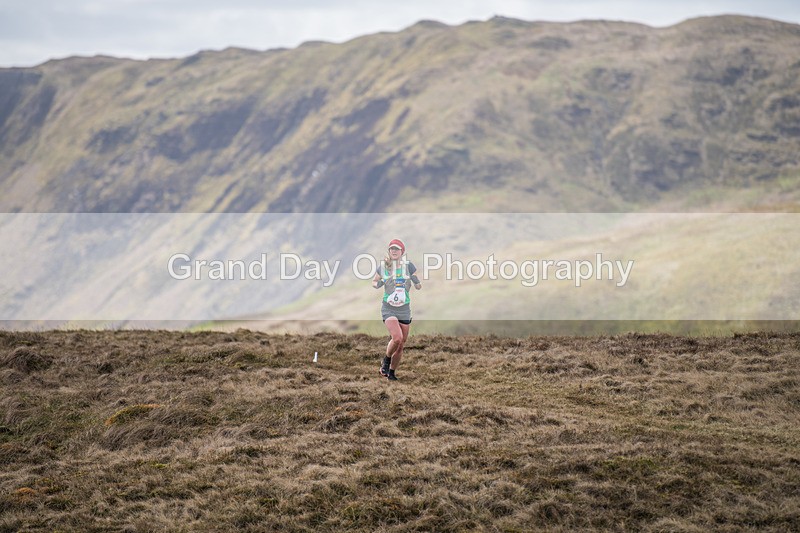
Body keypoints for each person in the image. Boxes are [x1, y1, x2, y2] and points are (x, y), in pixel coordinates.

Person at [371, 238, 422, 381]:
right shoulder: (383, 267)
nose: (394, 251)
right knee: (397, 338)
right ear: (389, 251)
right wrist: (379, 283)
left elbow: (418, 286)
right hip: (389, 308)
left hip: (404, 309)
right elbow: (374, 282)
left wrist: (416, 282)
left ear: (402, 252)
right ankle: (386, 360)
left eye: (397, 249)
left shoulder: (408, 266)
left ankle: (392, 373)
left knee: (401, 344)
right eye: (391, 249)